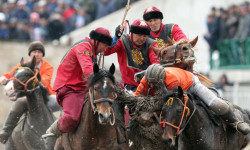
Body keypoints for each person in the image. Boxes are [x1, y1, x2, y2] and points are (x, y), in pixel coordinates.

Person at [42, 27, 113, 150]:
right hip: (69, 87)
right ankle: (51, 132)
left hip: (83, 87)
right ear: (97, 41)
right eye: (104, 45)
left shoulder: (93, 50)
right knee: (72, 119)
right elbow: (88, 72)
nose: (105, 49)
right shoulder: (84, 47)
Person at [134, 64, 250, 135]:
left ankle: (235, 122)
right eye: (150, 83)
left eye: (154, 83)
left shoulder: (172, 82)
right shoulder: (146, 80)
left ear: (161, 80)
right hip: (176, 84)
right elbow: (137, 96)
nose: (152, 86)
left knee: (215, 104)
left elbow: (172, 103)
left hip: (190, 84)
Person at [0, 41, 60, 144]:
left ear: (42, 54)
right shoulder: (23, 65)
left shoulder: (48, 66)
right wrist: (4, 78)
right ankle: (5, 132)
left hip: (45, 97)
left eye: (39, 52)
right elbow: (11, 74)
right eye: (34, 52)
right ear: (30, 54)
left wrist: (33, 82)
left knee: (63, 100)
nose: (36, 54)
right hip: (27, 97)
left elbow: (45, 82)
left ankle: (67, 129)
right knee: (19, 102)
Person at [105, 19, 158, 92]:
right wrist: (115, 38)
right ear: (132, 33)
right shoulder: (122, 40)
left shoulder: (152, 44)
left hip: (149, 87)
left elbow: (156, 64)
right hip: (130, 88)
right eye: (139, 35)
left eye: (144, 36)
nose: (142, 38)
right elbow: (105, 52)